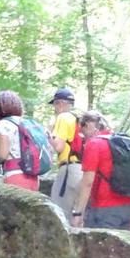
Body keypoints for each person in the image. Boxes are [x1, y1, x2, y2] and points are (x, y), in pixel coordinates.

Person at [68, 110, 130, 231]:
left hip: (104, 209)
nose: (83, 137)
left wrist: (78, 213)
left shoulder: (94, 144)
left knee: (97, 248)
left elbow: (87, 183)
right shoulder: (123, 143)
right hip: (128, 208)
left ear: (87, 125)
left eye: (82, 133)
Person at [0, 90, 39, 191]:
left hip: (15, 175)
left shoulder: (3, 124)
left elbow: (3, 154)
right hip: (33, 177)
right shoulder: (27, 123)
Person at [47, 88, 84, 218]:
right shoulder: (79, 119)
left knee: (59, 214)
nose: (55, 108)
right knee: (77, 216)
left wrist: (49, 134)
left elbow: (59, 147)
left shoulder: (63, 117)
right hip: (83, 171)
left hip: (69, 169)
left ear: (60, 104)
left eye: (55, 104)